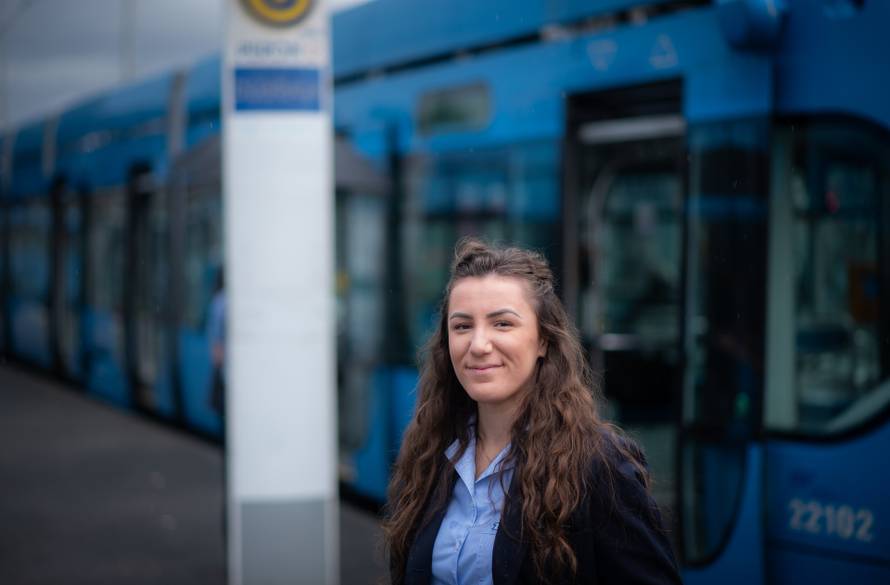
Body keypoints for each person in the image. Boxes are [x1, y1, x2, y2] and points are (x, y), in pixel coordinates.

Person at [384, 239, 681, 585]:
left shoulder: (599, 467)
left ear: (543, 340)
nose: (478, 345)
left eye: (502, 324)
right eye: (462, 326)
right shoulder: (430, 452)